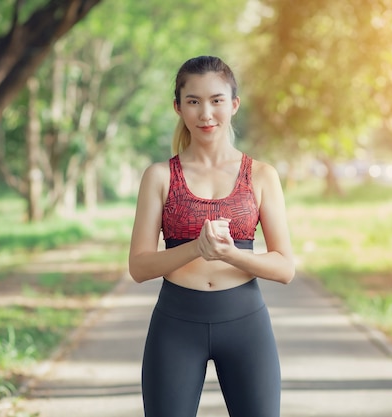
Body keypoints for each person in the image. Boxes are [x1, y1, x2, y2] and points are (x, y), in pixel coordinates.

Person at [128, 55, 295, 417]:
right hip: (175, 327)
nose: (206, 113)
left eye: (217, 100)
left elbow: (284, 268)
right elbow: (139, 267)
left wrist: (230, 254)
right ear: (178, 107)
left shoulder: (262, 176)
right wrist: (195, 249)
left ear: (233, 105)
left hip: (246, 325)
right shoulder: (159, 177)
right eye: (194, 101)